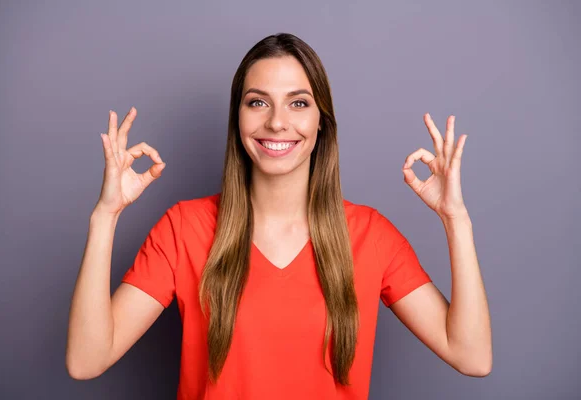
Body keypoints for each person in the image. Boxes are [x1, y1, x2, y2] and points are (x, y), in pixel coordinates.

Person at [66, 33, 492, 399]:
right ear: (238, 117)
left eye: (298, 103)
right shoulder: (184, 228)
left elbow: (471, 355)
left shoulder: (370, 235)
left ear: (321, 121)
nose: (276, 122)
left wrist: (456, 219)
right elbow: (87, 360)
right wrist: (106, 214)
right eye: (257, 102)